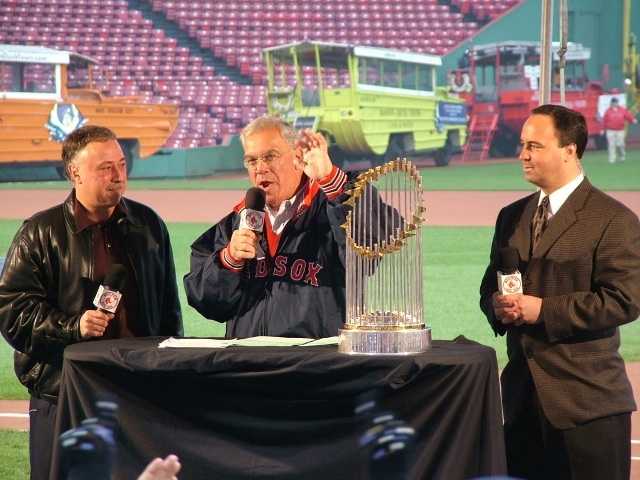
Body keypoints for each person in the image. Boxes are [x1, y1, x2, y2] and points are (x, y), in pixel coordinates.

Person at [0, 125, 183, 480]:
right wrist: (74, 327)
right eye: (105, 168)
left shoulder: (148, 226)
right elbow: (11, 312)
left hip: (137, 391)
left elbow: (168, 313)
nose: (118, 176)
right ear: (75, 173)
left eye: (121, 164)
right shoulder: (39, 233)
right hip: (64, 394)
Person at [479, 104, 640, 480]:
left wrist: (542, 311)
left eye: (534, 146)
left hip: (587, 405)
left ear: (570, 150)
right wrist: (497, 306)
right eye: (522, 145)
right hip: (521, 404)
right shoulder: (510, 215)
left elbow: (623, 299)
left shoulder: (613, 219)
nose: (522, 155)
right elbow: (490, 285)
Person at [184, 116, 349, 338]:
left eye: (270, 156)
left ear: (298, 158)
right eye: (252, 161)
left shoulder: (329, 209)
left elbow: (373, 244)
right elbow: (206, 303)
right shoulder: (234, 225)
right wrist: (228, 260)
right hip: (248, 366)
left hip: (312, 364)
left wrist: (332, 182)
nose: (260, 168)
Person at [602, 96, 637, 163]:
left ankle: (622, 156)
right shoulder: (608, 111)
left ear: (617, 103)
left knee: (620, 144)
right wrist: (603, 129)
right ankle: (612, 159)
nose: (615, 103)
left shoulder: (622, 110)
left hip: (620, 130)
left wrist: (633, 120)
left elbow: (628, 116)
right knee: (611, 145)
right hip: (610, 130)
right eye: (613, 102)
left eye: (616, 102)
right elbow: (604, 121)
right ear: (611, 103)